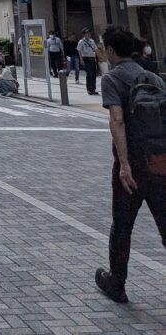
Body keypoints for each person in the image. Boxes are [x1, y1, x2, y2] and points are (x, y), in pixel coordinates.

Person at [94, 26, 166, 305]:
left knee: (123, 225)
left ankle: (117, 283)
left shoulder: (112, 78)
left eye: (103, 46)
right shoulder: (153, 77)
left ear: (111, 50)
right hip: (159, 162)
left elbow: (117, 120)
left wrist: (124, 163)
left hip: (132, 165)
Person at [78, 29, 100, 96]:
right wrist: (81, 60)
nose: (88, 34)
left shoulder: (92, 41)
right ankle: (89, 89)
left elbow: (95, 49)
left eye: (89, 33)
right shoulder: (81, 41)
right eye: (86, 33)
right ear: (84, 34)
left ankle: (93, 89)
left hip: (92, 58)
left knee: (94, 74)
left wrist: (99, 56)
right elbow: (79, 51)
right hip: (86, 59)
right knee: (89, 73)